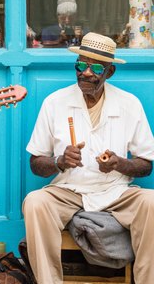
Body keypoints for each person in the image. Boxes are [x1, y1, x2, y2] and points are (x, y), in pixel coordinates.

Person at [23, 32, 154, 284]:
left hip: (115, 192)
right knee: (34, 203)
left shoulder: (129, 104)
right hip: (68, 190)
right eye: (81, 65)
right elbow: (36, 163)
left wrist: (120, 164)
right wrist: (60, 161)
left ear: (110, 72)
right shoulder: (55, 102)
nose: (86, 73)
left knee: (151, 203)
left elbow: (146, 164)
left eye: (96, 67)